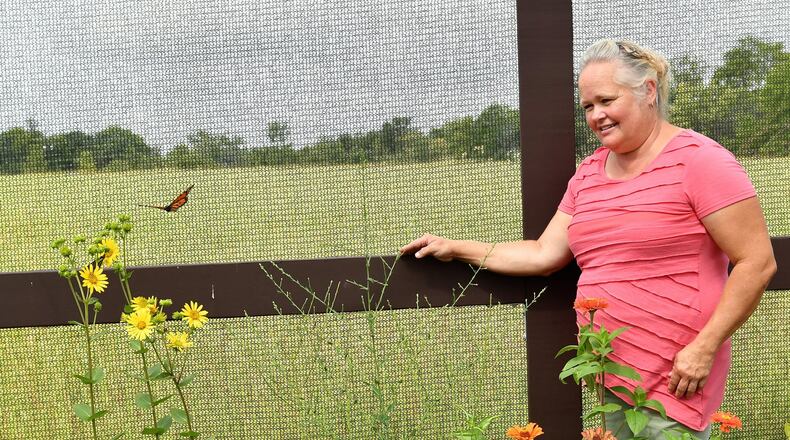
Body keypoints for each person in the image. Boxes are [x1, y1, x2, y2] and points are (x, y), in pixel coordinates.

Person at [400, 39, 776, 439]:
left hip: (678, 375)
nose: (597, 116)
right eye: (587, 107)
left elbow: (757, 262)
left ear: (648, 90)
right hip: (611, 373)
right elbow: (544, 253)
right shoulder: (590, 173)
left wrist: (704, 349)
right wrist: (455, 248)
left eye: (606, 100)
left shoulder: (700, 160)